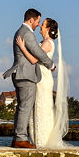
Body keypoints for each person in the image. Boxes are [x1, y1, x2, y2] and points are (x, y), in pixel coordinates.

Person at [14, 17, 70, 148]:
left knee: (42, 108)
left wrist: (22, 47)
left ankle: (42, 141)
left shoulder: (47, 44)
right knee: (36, 108)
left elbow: (34, 59)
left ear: (48, 28)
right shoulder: (43, 42)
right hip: (40, 78)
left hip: (42, 80)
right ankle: (36, 140)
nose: (40, 26)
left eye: (42, 24)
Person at [3, 8, 55, 148]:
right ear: (31, 19)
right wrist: (51, 64)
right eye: (38, 21)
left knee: (21, 107)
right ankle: (20, 138)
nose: (38, 24)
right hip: (25, 75)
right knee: (25, 107)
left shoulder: (20, 32)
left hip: (20, 73)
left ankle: (17, 138)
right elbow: (38, 52)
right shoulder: (27, 33)